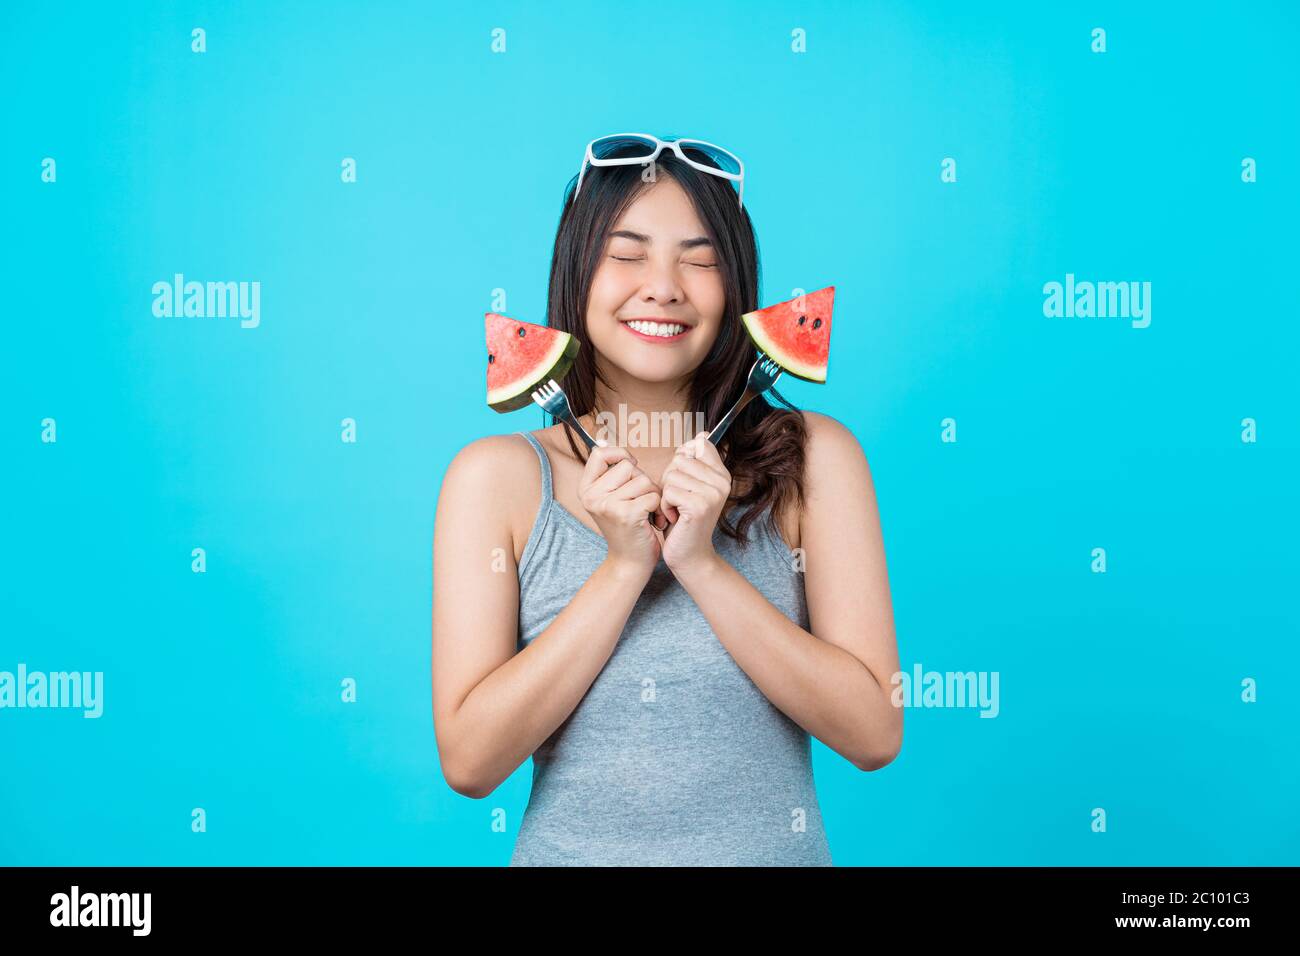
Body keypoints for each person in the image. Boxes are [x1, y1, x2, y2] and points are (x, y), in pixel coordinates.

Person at [432, 133, 901, 865]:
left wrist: (704, 566)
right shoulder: (496, 478)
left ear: (736, 284)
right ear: (576, 271)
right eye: (627, 253)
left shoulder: (816, 459)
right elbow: (469, 762)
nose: (664, 285)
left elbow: (874, 733)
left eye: (700, 257)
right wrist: (622, 569)